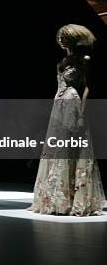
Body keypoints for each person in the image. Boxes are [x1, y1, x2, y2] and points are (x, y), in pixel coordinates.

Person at [29, 24, 105, 216]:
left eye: (65, 37)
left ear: (73, 38)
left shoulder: (83, 60)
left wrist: (81, 113)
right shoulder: (62, 61)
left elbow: (88, 87)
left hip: (72, 103)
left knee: (72, 147)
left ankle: (74, 198)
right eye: (60, 37)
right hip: (59, 104)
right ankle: (56, 197)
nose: (61, 40)